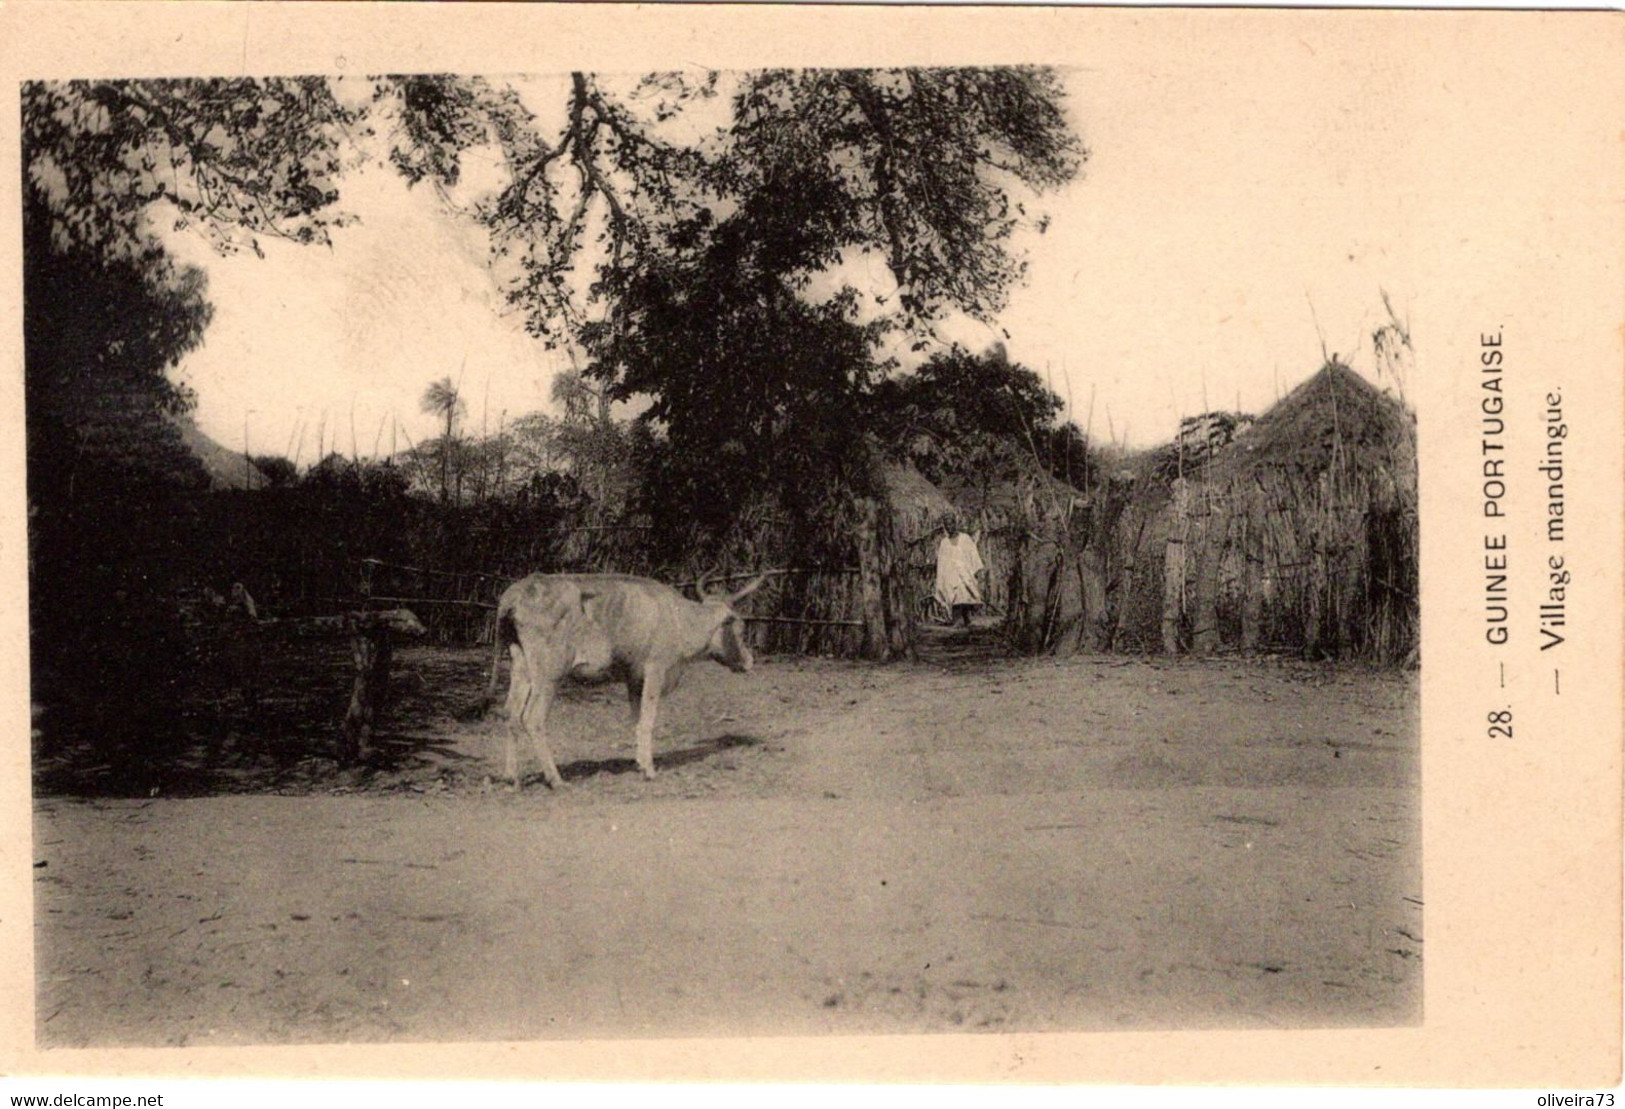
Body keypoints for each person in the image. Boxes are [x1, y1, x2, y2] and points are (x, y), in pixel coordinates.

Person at [933, 515, 985, 628]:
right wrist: (942, 577)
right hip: (951, 575)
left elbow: (973, 554)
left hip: (965, 573)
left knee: (966, 595)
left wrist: (975, 571)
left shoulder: (965, 538)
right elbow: (941, 562)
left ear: (955, 524)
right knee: (954, 596)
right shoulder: (944, 543)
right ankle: (957, 619)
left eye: (951, 524)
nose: (949, 527)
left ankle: (966, 618)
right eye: (946, 525)